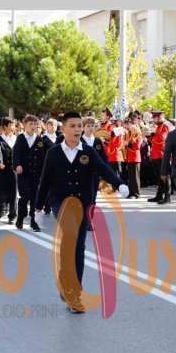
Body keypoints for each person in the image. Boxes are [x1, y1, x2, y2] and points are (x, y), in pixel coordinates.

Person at [34, 112, 129, 313]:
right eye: (73, 126)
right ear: (63, 129)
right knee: (70, 232)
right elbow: (45, 180)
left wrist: (119, 183)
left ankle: (74, 291)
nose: (77, 129)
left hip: (83, 203)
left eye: (79, 126)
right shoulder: (53, 153)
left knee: (78, 248)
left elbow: (103, 169)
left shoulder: (88, 151)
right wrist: (38, 208)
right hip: (60, 201)